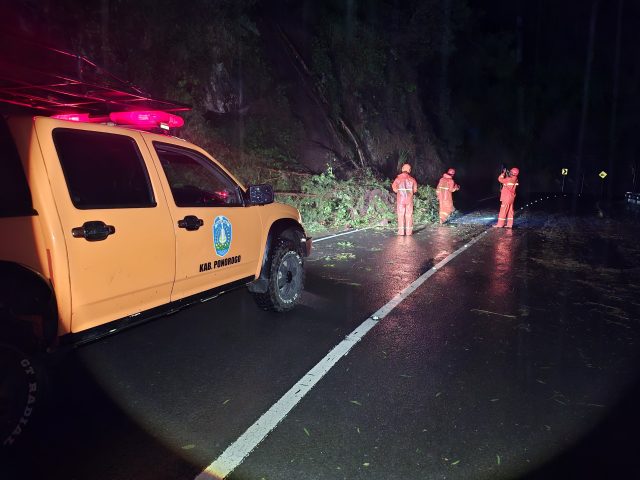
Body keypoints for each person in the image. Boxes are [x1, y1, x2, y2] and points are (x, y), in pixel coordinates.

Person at [392, 163, 418, 235]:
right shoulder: (412, 180)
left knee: (400, 214)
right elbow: (415, 190)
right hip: (409, 200)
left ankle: (401, 232)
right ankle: (409, 232)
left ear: (402, 169)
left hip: (401, 199)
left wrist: (399, 191)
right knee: (409, 214)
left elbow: (394, 188)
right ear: (409, 170)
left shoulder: (398, 179)